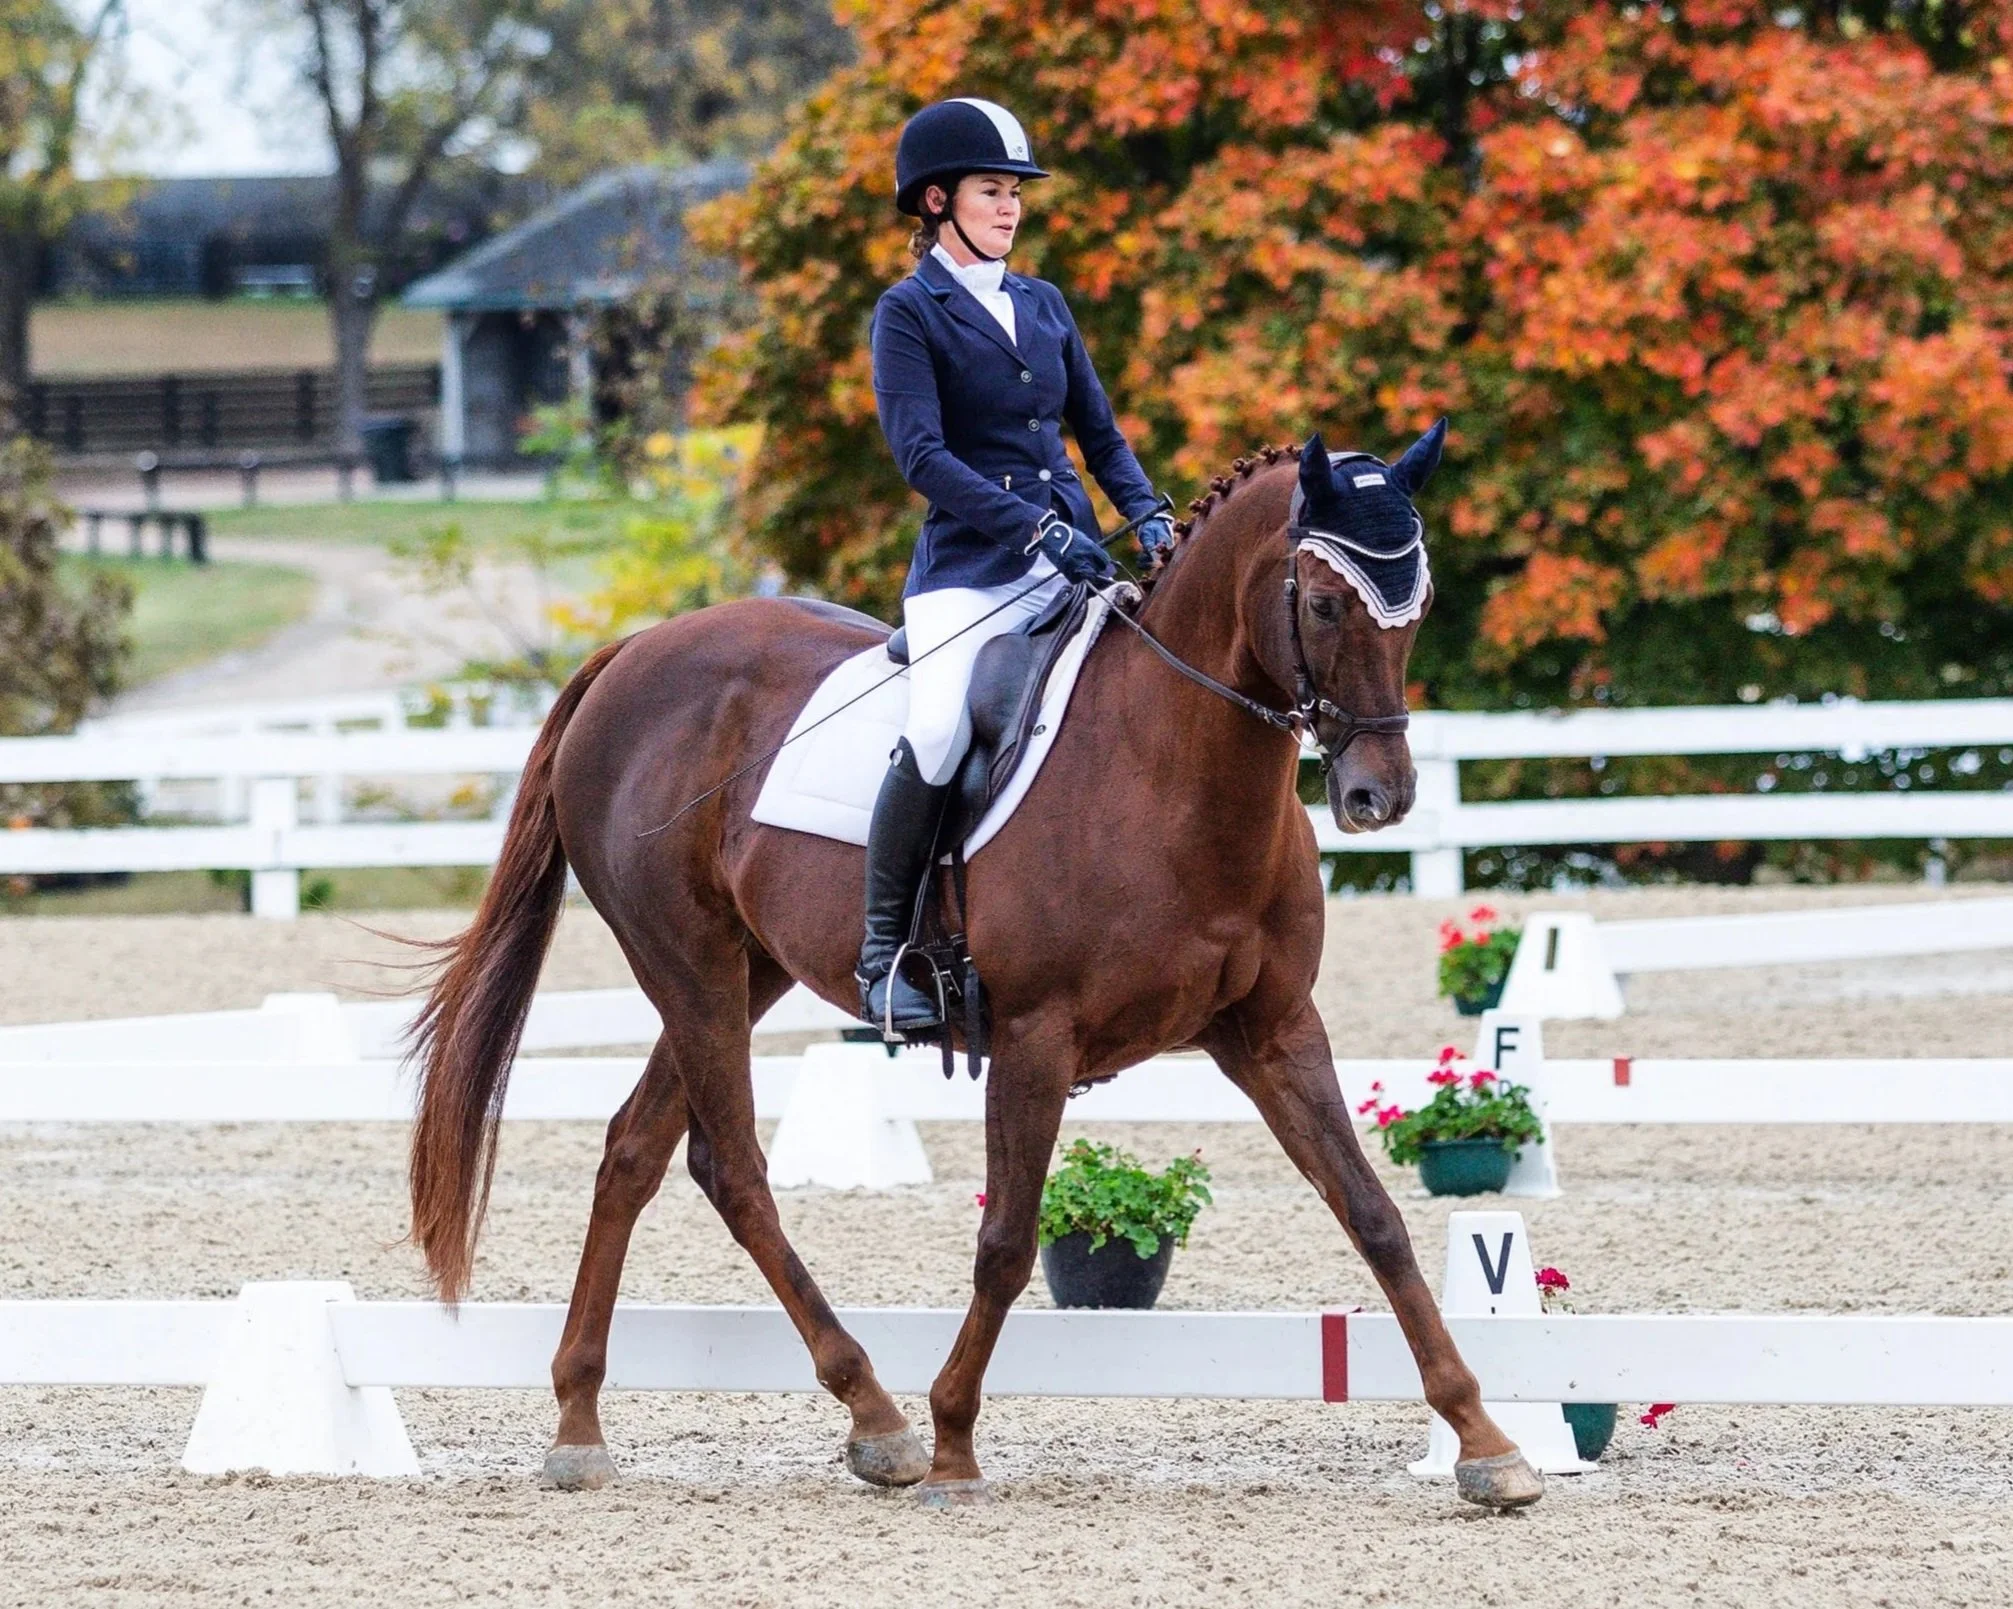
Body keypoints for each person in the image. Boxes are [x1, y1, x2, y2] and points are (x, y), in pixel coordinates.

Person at [857, 96, 1176, 1036]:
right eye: (992, 191)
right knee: (941, 727)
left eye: (1015, 193)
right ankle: (882, 955)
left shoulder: (1042, 303)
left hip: (1072, 562)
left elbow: (1100, 435)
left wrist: (1148, 512)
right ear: (935, 201)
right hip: (968, 571)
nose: (1009, 208)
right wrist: (1034, 531)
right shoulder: (908, 312)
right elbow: (921, 456)